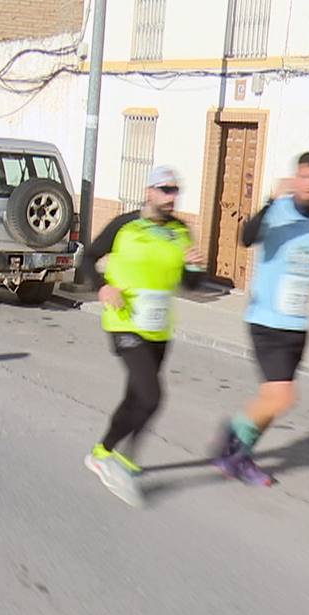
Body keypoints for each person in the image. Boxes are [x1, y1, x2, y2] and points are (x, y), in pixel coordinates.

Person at [76, 165, 206, 508]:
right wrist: (101, 288)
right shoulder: (124, 225)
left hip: (159, 329)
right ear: (148, 191)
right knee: (151, 396)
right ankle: (125, 465)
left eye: (175, 190)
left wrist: (194, 266)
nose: (171, 196)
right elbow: (88, 258)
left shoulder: (181, 231)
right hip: (125, 322)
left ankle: (100, 453)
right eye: (165, 189)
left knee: (136, 398)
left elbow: (190, 284)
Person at [213, 152, 309, 486]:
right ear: (295, 178)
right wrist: (271, 200)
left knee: (273, 400)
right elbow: (246, 238)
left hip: (297, 324)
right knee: (283, 396)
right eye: (306, 178)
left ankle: (240, 454)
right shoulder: (278, 212)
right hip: (266, 320)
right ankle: (233, 438)